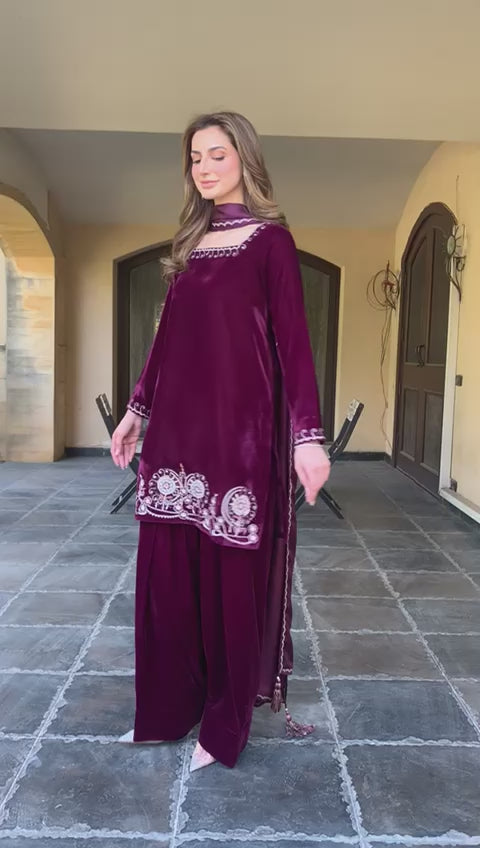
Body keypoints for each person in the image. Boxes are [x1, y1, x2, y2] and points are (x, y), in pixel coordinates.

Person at [111, 111, 331, 771]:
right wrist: (136, 410)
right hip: (177, 434)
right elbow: (166, 341)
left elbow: (294, 345)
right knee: (168, 578)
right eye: (195, 158)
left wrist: (307, 438)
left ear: (245, 159)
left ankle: (223, 723)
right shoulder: (190, 243)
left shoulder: (271, 242)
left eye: (217, 155)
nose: (204, 168)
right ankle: (165, 710)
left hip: (240, 437)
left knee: (229, 584)